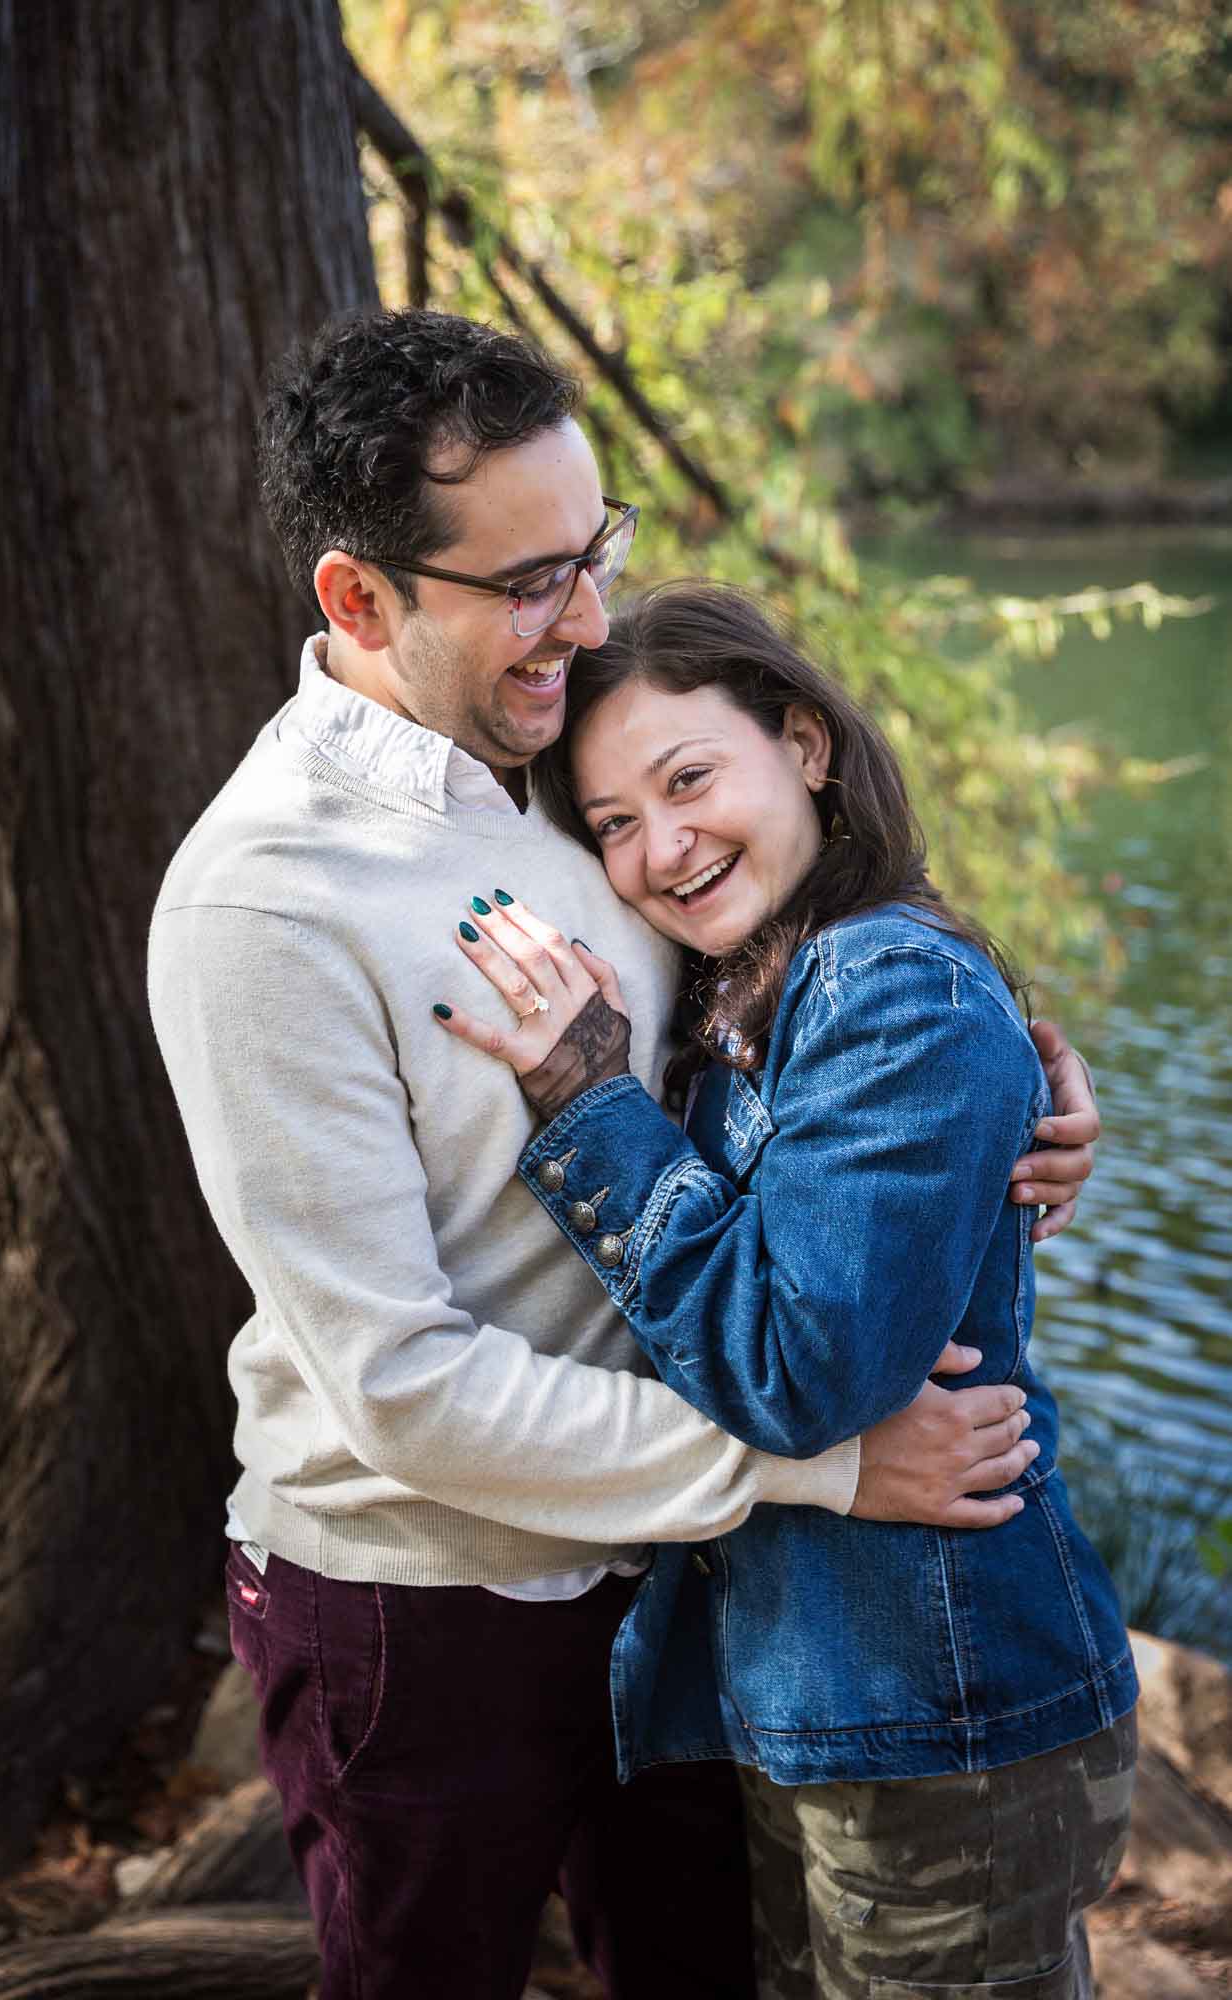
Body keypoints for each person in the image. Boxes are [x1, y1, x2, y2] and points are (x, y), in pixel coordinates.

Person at [148, 310, 1101, 2000]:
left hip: (682, 1575)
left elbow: (778, 1012)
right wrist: (813, 1467)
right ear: (360, 600)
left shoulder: (573, 745)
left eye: (593, 554)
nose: (579, 623)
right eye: (526, 583)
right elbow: (402, 1384)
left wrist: (997, 1111)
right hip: (423, 1603)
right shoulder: (264, 905)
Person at [435, 579, 1138, 2000]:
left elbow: (796, 1368)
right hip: (818, 1700)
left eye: (688, 779)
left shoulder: (883, 983)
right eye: (613, 825)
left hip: (942, 1712)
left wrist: (586, 1100)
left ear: (804, 744)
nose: (661, 847)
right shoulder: (764, 989)